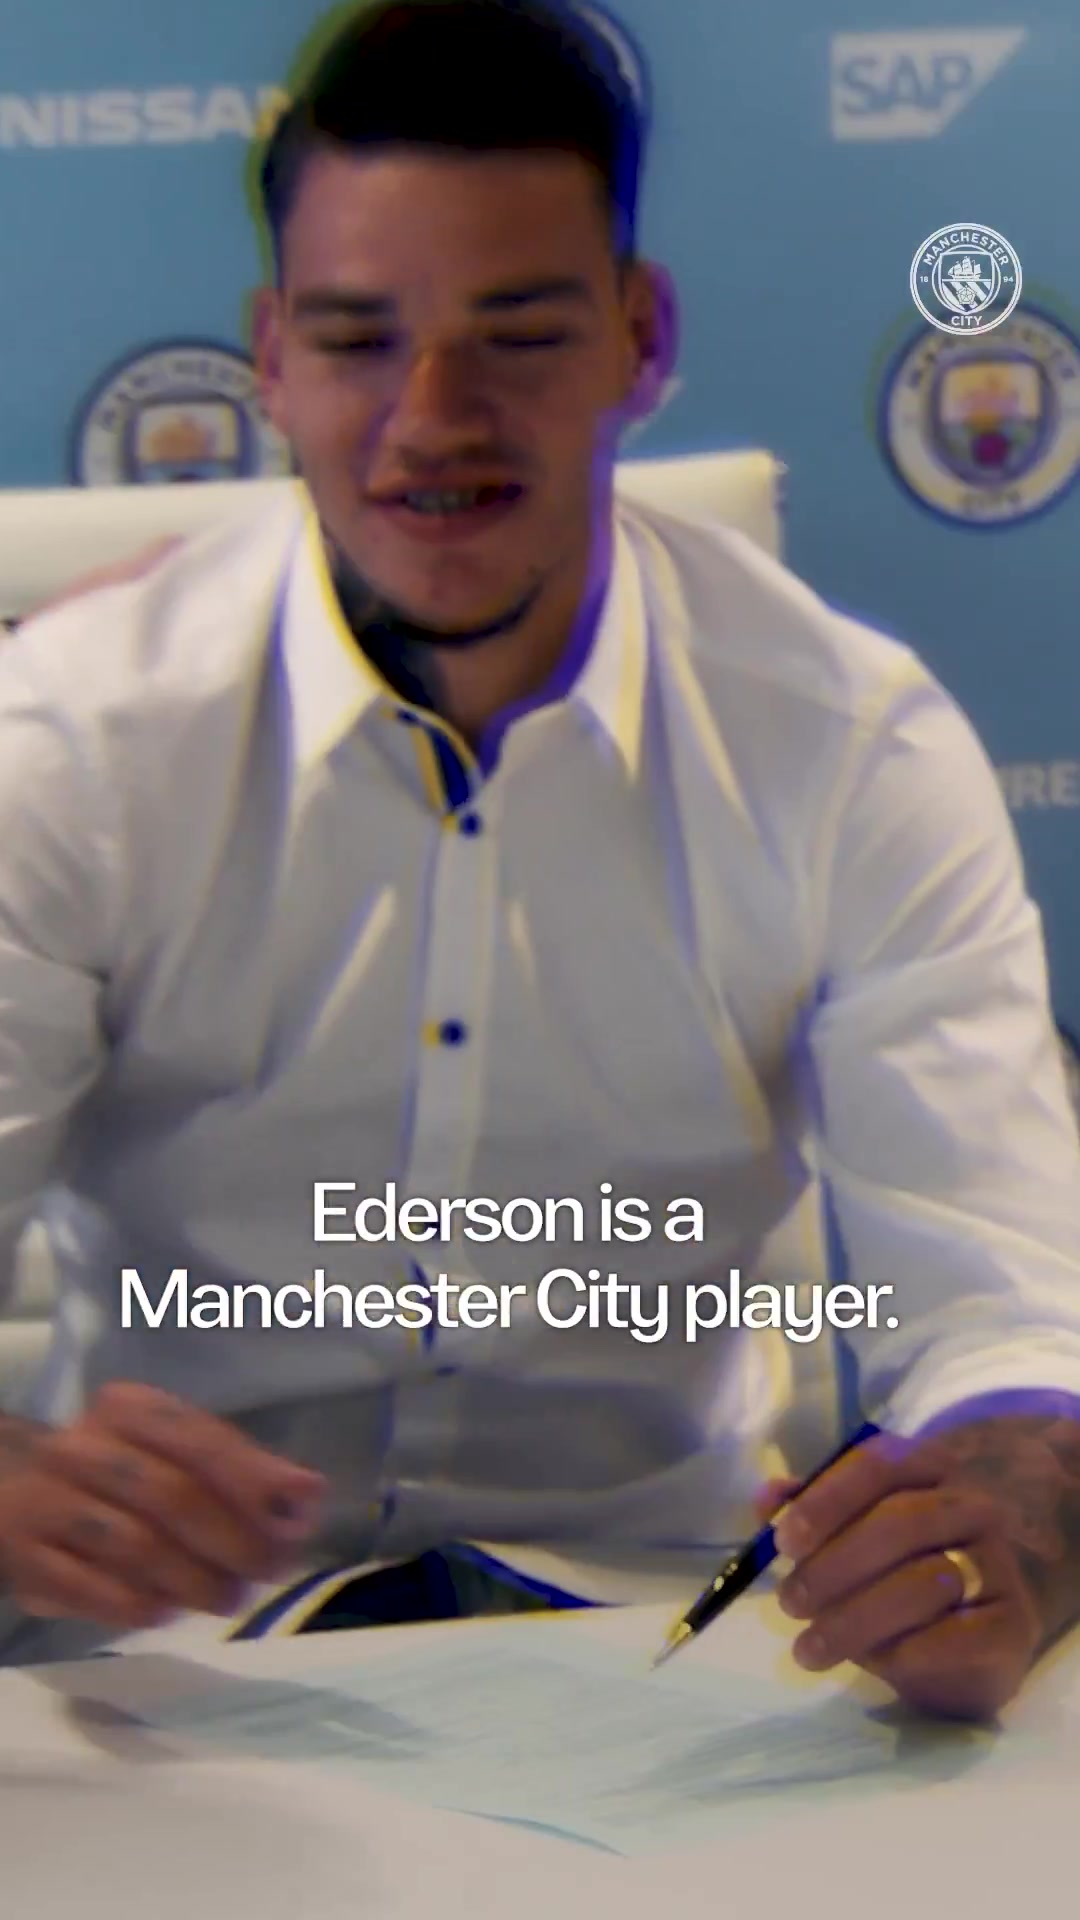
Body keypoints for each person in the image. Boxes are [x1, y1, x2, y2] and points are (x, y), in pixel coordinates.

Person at [1, 0, 1080, 1720]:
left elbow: (1016, 1319)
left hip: (670, 1661)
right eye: (359, 340)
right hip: (164, 1679)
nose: (433, 419)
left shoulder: (849, 747)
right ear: (269, 360)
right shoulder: (70, 740)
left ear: (640, 340)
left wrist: (1001, 1542)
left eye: (516, 335)